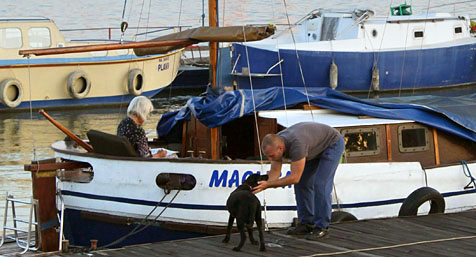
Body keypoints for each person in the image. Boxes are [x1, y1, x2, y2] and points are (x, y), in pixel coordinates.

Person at [252, 122, 344, 241]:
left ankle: (322, 227)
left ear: (280, 148)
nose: (270, 159)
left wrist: (269, 184)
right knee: (302, 184)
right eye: (267, 156)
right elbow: (274, 174)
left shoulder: (297, 145)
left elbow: (295, 177)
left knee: (320, 184)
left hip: (331, 144)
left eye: (271, 156)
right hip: (312, 148)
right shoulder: (277, 144)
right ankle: (306, 223)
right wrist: (262, 185)